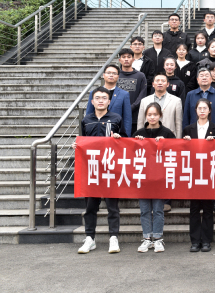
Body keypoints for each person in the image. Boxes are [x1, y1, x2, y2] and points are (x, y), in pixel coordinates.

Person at [75, 87, 126, 254]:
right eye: (97, 98)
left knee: (113, 207)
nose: (101, 100)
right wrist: (77, 146)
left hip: (111, 169)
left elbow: (126, 141)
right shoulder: (86, 120)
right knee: (90, 207)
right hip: (92, 170)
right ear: (92, 101)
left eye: (104, 98)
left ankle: (113, 238)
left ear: (109, 101)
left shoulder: (116, 118)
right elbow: (82, 141)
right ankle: (90, 238)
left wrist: (119, 139)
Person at [132, 102, 175, 253]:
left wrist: (165, 143)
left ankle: (157, 238)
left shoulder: (167, 133)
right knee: (144, 210)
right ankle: (146, 238)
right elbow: (130, 154)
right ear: (145, 116)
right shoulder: (139, 133)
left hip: (159, 179)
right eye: (149, 115)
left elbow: (176, 152)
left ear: (160, 115)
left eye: (155, 114)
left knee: (157, 210)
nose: (152, 117)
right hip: (143, 178)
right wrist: (136, 143)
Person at [183, 98, 215, 253]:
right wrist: (186, 142)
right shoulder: (188, 129)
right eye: (199, 108)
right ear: (196, 110)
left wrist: (214, 143)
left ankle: (206, 240)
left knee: (208, 209)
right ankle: (195, 241)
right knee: (194, 209)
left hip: (209, 172)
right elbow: (183, 152)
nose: (202, 111)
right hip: (194, 173)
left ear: (209, 111)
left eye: (204, 108)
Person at [86, 64, 132, 137]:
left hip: (116, 135)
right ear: (103, 75)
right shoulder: (94, 93)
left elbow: (127, 118)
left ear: (118, 76)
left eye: (114, 73)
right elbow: (89, 114)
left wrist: (126, 137)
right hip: (96, 133)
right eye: (108, 73)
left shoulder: (124, 94)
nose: (111, 75)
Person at [183, 67, 215, 139]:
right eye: (201, 76)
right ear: (197, 79)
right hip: (193, 135)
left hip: (214, 134)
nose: (204, 78)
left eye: (207, 75)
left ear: (211, 79)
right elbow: (186, 117)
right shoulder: (190, 95)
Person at [138, 72, 183, 139]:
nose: (160, 83)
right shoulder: (144, 101)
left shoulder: (176, 101)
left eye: (163, 81)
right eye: (157, 81)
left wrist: (178, 140)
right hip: (148, 138)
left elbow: (178, 124)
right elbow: (140, 122)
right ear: (153, 84)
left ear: (168, 84)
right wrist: (139, 137)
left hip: (169, 137)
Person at [116, 48, 147, 135]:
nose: (126, 59)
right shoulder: (115, 75)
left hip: (135, 116)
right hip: (117, 115)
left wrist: (131, 107)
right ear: (119, 60)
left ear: (133, 59)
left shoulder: (140, 75)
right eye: (123, 57)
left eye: (129, 57)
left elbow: (142, 94)